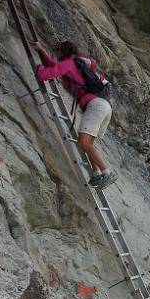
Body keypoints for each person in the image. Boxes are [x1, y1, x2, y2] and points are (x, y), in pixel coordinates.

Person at [31, 40, 117, 188]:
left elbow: (47, 74)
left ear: (61, 51)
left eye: (55, 51)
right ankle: (96, 173)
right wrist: (41, 51)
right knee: (88, 143)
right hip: (103, 106)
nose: (55, 54)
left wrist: (38, 68)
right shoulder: (76, 64)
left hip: (95, 106)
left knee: (83, 142)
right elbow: (55, 66)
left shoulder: (68, 63)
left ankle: (107, 173)